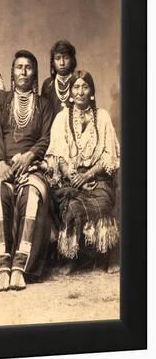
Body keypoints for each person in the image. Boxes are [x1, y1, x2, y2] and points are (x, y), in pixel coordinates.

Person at [0, 50, 53, 291]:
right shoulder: (1, 100)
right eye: (19, 67)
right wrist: (0, 163)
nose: (23, 71)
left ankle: (21, 267)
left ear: (34, 72)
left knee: (31, 195)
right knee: (0, 195)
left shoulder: (44, 104)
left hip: (32, 166)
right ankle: (2, 268)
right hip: (5, 167)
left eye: (28, 67)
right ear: (13, 72)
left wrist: (30, 155)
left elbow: (46, 136)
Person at [42, 70, 120, 268]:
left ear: (91, 91)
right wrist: (72, 174)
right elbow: (57, 154)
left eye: (85, 87)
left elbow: (109, 155)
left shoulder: (102, 117)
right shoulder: (61, 118)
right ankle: (73, 257)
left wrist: (88, 175)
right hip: (71, 178)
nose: (80, 91)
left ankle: (102, 255)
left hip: (97, 177)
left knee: (102, 204)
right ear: (70, 92)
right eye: (76, 87)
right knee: (72, 207)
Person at [41, 40, 77, 118]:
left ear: (72, 60)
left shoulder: (78, 82)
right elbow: (44, 114)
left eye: (66, 58)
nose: (62, 63)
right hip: (52, 129)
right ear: (53, 62)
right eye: (58, 58)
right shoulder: (48, 85)